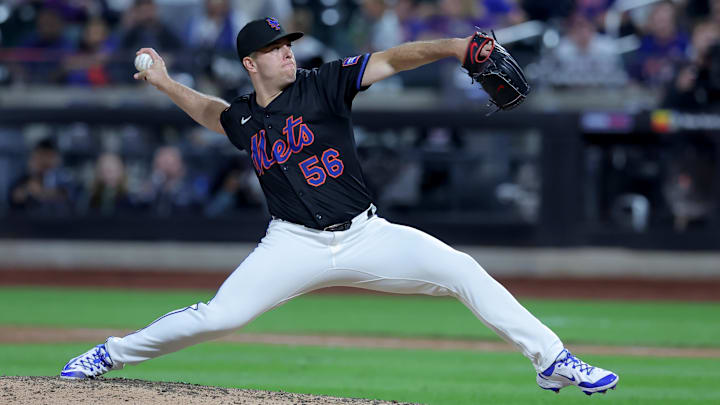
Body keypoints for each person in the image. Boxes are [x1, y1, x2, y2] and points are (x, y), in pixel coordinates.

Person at [59, 17, 619, 396]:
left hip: (367, 236)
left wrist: (453, 47)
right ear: (251, 64)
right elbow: (211, 113)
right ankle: (109, 354)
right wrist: (163, 81)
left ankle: (551, 360)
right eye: (276, 49)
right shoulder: (245, 117)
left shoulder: (324, 83)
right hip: (292, 243)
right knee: (220, 316)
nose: (288, 53)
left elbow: (394, 59)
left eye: (289, 45)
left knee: (462, 270)